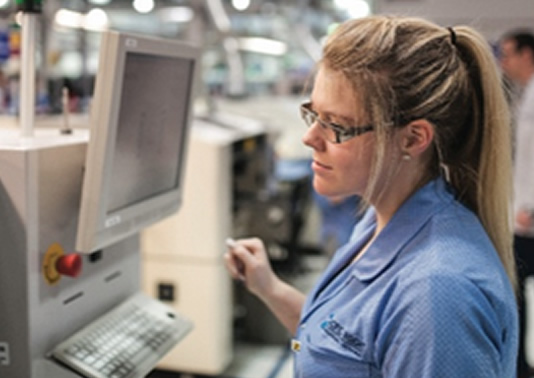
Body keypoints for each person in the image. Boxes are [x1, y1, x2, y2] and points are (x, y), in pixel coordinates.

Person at [224, 15, 518, 377]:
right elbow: (348, 346)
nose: (310, 138)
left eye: (335, 125)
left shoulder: (437, 294)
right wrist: (269, 288)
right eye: (313, 114)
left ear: (412, 138)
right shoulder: (382, 218)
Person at [499, 29, 534, 378]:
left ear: (527, 54)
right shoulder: (524, 95)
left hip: (530, 216)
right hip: (521, 215)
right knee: (515, 291)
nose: (502, 62)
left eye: (507, 54)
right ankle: (520, 368)